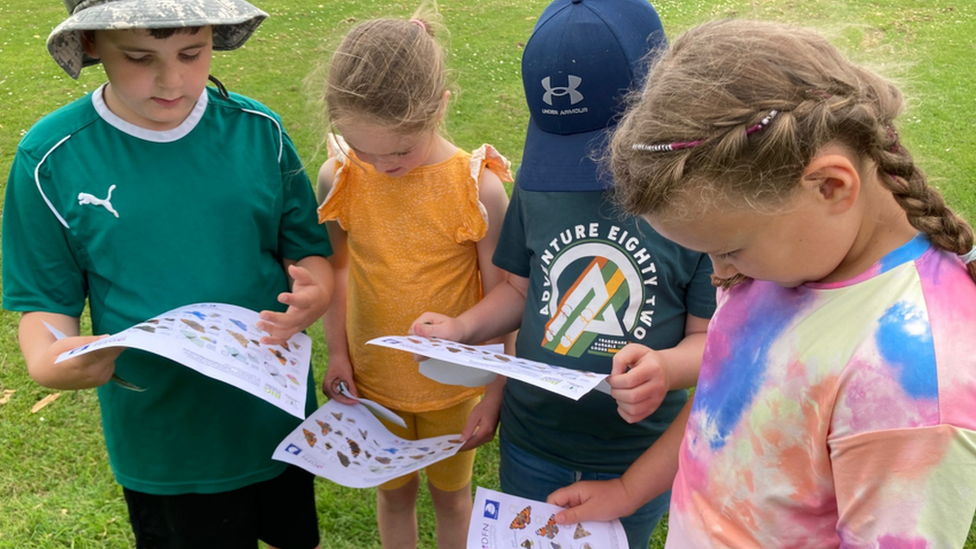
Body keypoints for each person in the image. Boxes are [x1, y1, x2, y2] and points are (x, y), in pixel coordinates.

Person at [547, 18, 976, 548]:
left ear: (829, 186)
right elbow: (723, 403)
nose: (720, 275)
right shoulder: (784, 256)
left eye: (728, 249)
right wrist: (630, 489)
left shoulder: (914, 383)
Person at [2, 1, 334, 548]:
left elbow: (306, 250)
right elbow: (45, 304)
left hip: (272, 417)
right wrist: (47, 360)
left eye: (192, 52)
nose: (171, 79)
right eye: (138, 57)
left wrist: (316, 291)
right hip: (163, 436)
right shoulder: (50, 157)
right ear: (90, 45)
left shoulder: (258, 131)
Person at [409, 1, 716, 547]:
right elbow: (519, 290)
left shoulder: (696, 208)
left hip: (637, 452)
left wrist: (665, 368)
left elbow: (711, 340)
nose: (583, 176)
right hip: (533, 441)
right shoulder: (540, 182)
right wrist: (462, 331)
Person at [313, 8, 513, 549]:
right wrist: (336, 353)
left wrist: (495, 391)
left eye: (400, 149)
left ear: (440, 104)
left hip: (454, 387)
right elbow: (338, 269)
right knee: (393, 493)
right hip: (375, 382)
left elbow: (505, 297)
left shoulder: (477, 189)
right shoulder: (341, 177)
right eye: (363, 149)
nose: (381, 165)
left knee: (452, 497)